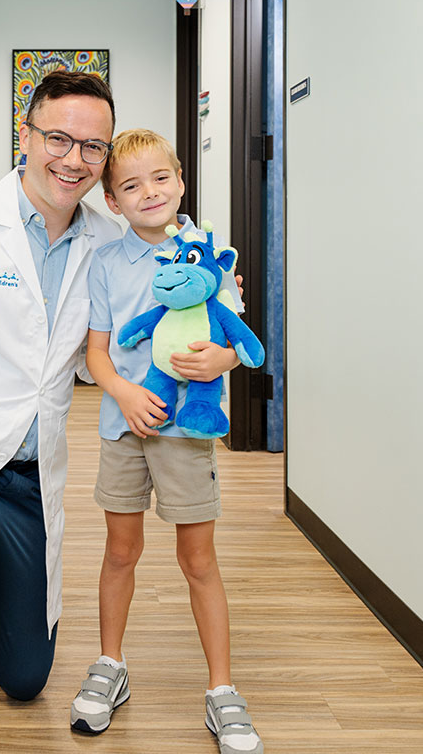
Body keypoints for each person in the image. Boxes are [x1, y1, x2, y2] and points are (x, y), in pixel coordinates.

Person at [0, 72, 236, 754]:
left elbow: (168, 293)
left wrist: (219, 315)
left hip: (32, 471)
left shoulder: (108, 236)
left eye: (93, 147)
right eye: (57, 137)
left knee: (26, 675)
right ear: (26, 136)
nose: (73, 158)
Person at [68, 129, 264, 754]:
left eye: (159, 178)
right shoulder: (105, 264)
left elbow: (236, 336)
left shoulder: (210, 255)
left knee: (198, 560)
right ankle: (110, 665)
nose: (148, 192)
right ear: (113, 201)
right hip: (124, 431)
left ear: (181, 181)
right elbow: (97, 353)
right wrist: (124, 395)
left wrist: (223, 360)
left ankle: (222, 690)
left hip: (187, 435)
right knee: (119, 552)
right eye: (130, 186)